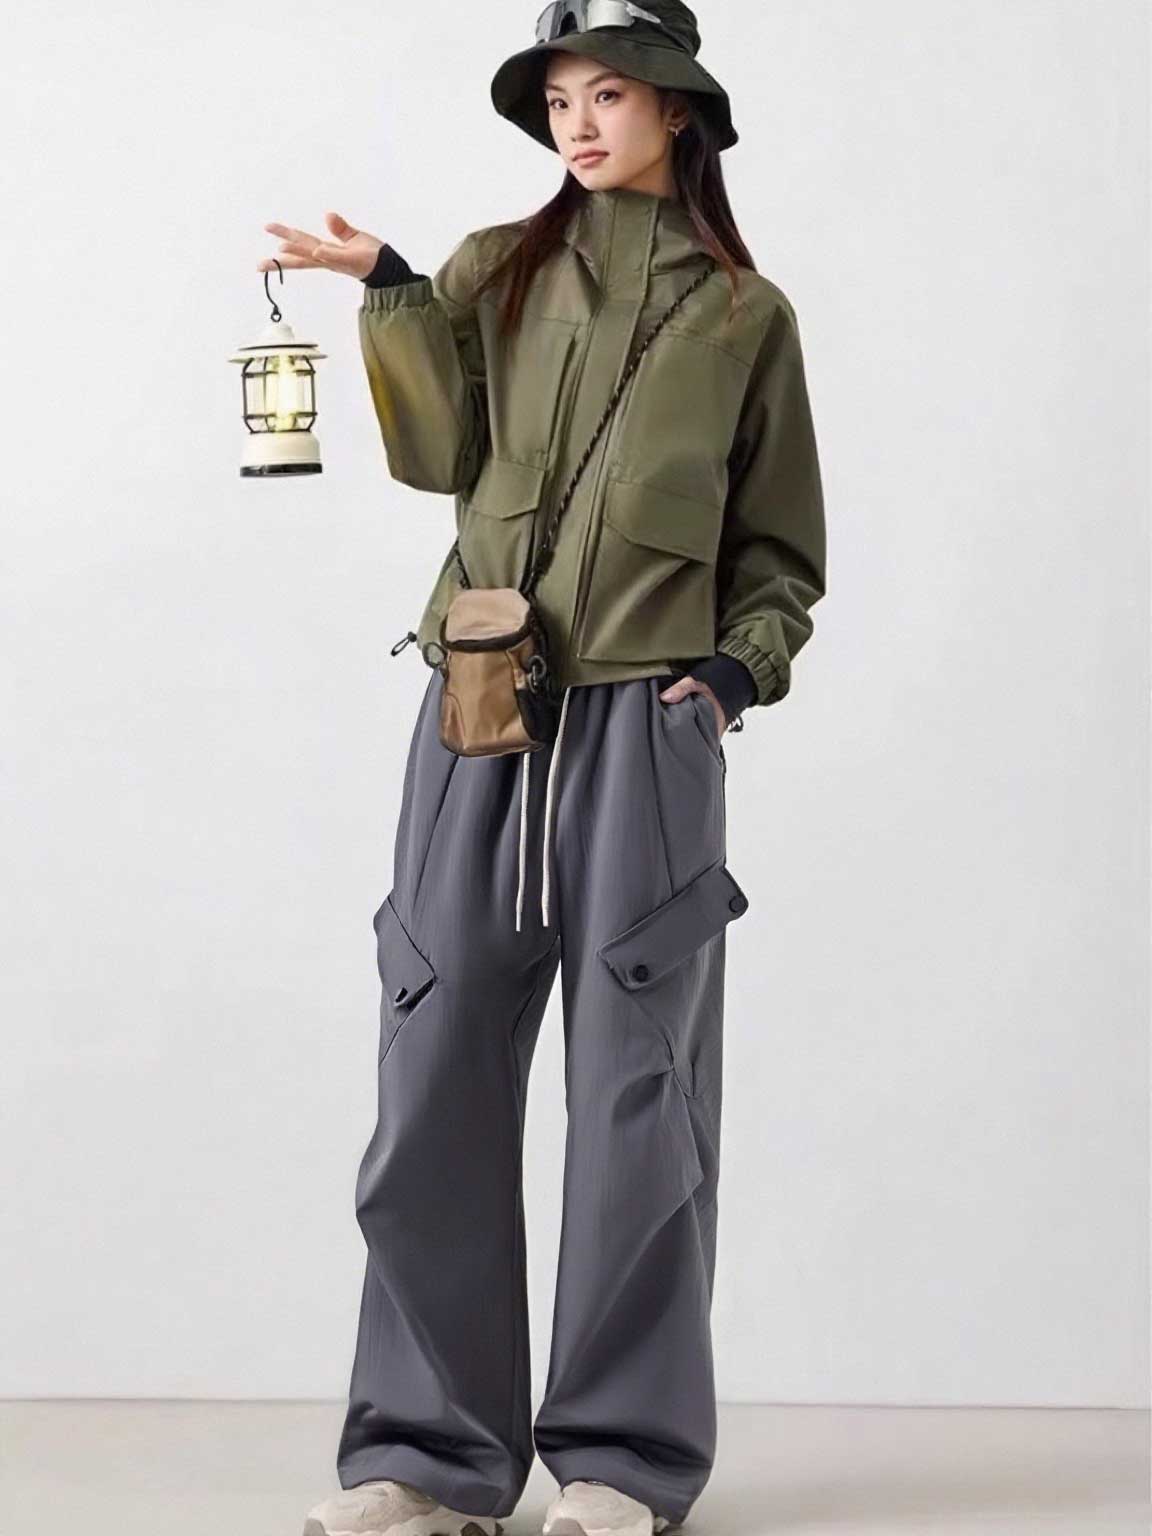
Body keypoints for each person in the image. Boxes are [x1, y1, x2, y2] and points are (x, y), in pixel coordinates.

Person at [260, 4, 826, 1533]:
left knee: (639, 1094)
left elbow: (781, 553)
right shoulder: (491, 273)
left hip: (648, 728)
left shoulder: (744, 316)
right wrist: (390, 289)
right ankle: (424, 1457)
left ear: (678, 110)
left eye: (611, 94)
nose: (579, 121)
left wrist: (729, 679)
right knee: (433, 1062)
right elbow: (433, 456)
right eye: (562, 97)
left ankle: (619, 1464)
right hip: (475, 710)